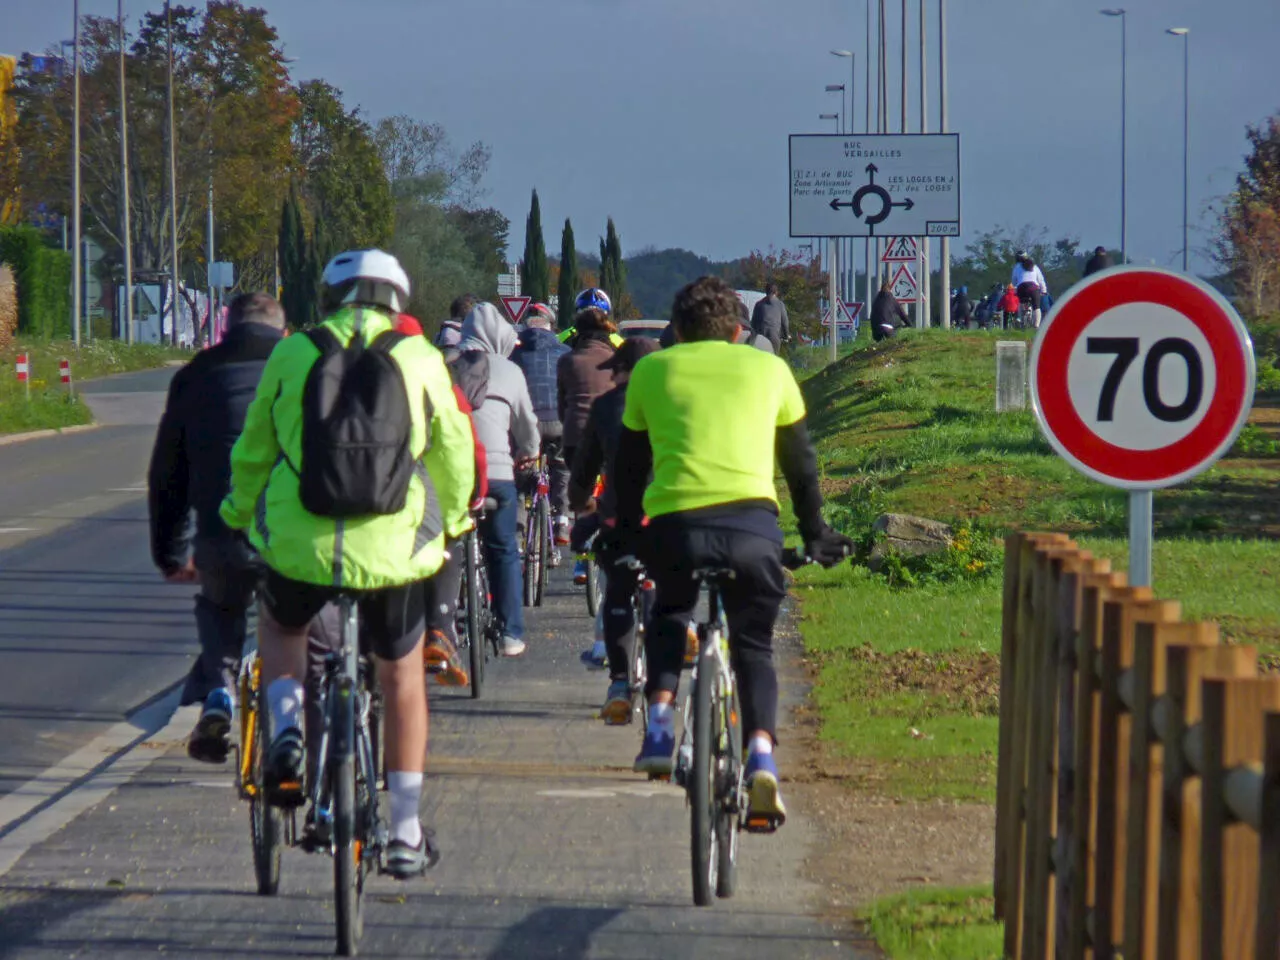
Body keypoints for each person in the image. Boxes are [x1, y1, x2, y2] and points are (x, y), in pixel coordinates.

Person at [219, 249, 475, 878]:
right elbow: (453, 448)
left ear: (329, 296)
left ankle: (285, 728)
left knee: (283, 628)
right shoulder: (418, 358)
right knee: (402, 674)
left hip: (299, 540)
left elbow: (256, 448)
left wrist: (238, 511)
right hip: (393, 546)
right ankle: (407, 829)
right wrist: (458, 517)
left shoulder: (293, 352)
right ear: (398, 299)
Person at [608, 275, 853, 830]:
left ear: (676, 331)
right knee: (754, 645)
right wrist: (815, 532)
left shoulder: (651, 370)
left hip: (676, 527)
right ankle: (762, 755)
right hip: (751, 530)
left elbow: (626, 467)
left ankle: (661, 722)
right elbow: (801, 463)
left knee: (670, 608)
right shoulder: (770, 369)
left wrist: (623, 532)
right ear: (740, 329)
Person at [148, 292, 286, 764]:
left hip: (220, 535)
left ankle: (220, 696)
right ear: (281, 330)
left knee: (222, 607)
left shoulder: (196, 375)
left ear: (227, 328)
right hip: (291, 536)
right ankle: (299, 724)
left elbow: (168, 475)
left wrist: (170, 553)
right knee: (305, 622)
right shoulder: (304, 370)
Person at [567, 337, 661, 711]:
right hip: (667, 512)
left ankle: (619, 683)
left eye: (615, 372)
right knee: (670, 588)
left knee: (618, 589)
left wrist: (580, 505)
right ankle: (679, 633)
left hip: (619, 515)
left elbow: (585, 467)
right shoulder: (673, 403)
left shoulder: (607, 407)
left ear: (624, 372)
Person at [456, 302, 541, 657]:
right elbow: (527, 427)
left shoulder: (449, 368)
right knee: (504, 549)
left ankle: (443, 626)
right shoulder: (511, 371)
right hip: (500, 477)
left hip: (458, 476)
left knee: (445, 549)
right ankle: (511, 633)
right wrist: (527, 452)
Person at [559, 291, 620, 583]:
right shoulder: (618, 346)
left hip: (576, 432)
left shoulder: (566, 344)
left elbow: (562, 400)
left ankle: (581, 561)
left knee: (581, 492)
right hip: (612, 430)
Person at [511, 302, 572, 543]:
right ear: (551, 326)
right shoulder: (565, 352)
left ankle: (518, 529)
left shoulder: (515, 353)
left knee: (521, 474)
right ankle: (562, 522)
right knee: (561, 467)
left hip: (528, 424)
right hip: (558, 421)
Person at [750, 282, 791, 353]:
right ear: (776, 292)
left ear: (766, 291)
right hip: (774, 336)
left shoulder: (759, 304)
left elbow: (753, 322)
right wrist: (786, 335)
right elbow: (785, 322)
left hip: (761, 335)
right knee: (774, 358)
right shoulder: (780, 304)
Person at [1012, 253, 1048, 327]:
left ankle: (1021, 320)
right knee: (1037, 307)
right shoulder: (1035, 267)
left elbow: (1014, 281)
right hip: (1033, 288)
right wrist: (1044, 291)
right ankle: (1036, 325)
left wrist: (1015, 286)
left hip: (1022, 288)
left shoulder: (1017, 267)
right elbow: (1041, 280)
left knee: (1021, 303)